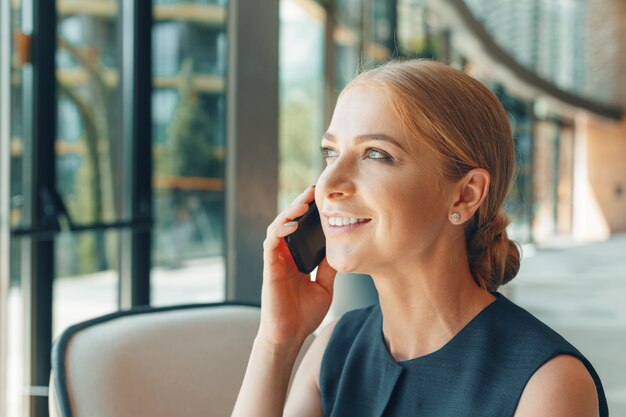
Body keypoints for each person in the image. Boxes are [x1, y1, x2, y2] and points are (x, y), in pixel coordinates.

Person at [231, 59, 608, 417]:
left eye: (375, 154)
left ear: (465, 194)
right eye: (330, 152)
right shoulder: (335, 348)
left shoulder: (547, 383)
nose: (328, 183)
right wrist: (277, 343)